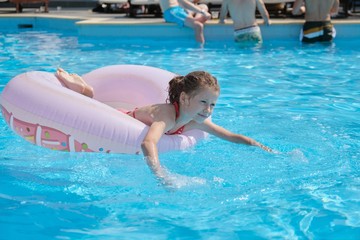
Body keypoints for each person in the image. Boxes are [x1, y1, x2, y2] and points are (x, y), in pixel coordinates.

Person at [55, 68, 272, 186]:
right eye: (204, 102)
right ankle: (84, 90)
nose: (208, 110)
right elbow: (148, 142)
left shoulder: (196, 120)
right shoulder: (168, 115)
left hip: (131, 122)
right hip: (118, 119)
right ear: (185, 98)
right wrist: (161, 175)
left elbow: (230, 136)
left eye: (213, 104)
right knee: (93, 106)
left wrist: (259, 146)